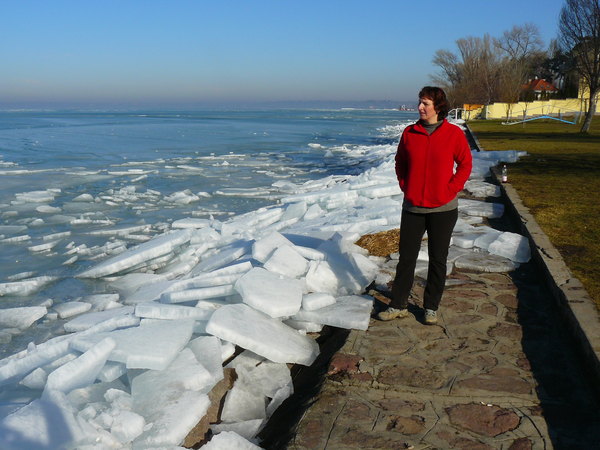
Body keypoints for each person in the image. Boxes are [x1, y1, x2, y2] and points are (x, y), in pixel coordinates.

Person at [377, 86, 472, 325]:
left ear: (437, 107)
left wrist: (450, 189)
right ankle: (398, 305)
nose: (420, 107)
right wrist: (405, 185)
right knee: (406, 258)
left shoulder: (453, 134)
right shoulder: (410, 133)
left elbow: (465, 164)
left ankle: (431, 307)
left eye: (425, 103)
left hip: (444, 209)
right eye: (420, 102)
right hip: (413, 207)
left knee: (438, 259)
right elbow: (400, 162)